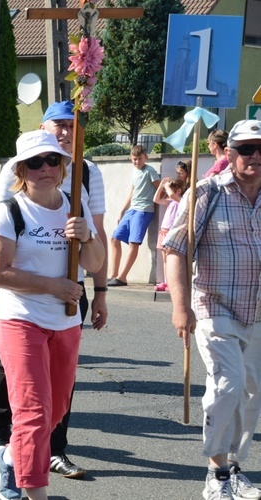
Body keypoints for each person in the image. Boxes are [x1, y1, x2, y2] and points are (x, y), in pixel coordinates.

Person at [0, 100, 110, 479]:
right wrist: (51, 285)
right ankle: (24, 462)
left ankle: (13, 453)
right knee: (29, 404)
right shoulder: (13, 201)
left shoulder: (81, 188)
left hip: (67, 307)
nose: (45, 167)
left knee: (54, 408)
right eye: (36, 162)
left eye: (53, 161)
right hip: (19, 309)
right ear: (22, 169)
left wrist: (92, 258)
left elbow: (94, 252)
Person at [164, 119, 261, 500]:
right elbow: (175, 249)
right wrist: (180, 307)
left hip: (257, 312)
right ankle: (217, 472)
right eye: (247, 149)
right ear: (230, 153)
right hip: (214, 306)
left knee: (251, 395)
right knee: (227, 385)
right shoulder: (207, 192)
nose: (255, 156)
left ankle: (235, 467)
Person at [107, 145, 160, 286]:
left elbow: (159, 187)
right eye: (134, 159)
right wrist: (123, 209)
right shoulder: (134, 172)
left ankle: (122, 277)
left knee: (134, 242)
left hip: (144, 210)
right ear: (131, 158)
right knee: (114, 238)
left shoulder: (150, 171)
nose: (137, 162)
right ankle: (113, 274)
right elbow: (132, 192)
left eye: (140, 159)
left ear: (146, 157)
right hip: (132, 209)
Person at [153, 177, 184, 292]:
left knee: (171, 258)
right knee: (165, 259)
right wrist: (161, 186)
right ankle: (166, 282)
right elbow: (156, 199)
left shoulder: (180, 200)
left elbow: (171, 195)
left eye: (170, 189)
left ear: (178, 191)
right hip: (164, 231)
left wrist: (166, 187)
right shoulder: (171, 201)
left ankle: (171, 282)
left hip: (171, 232)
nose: (167, 192)